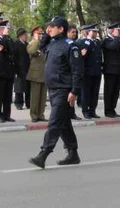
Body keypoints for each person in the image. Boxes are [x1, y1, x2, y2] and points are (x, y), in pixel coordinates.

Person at [28, 17, 84, 169]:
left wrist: (74, 91)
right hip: (52, 89)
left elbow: (77, 71)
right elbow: (41, 46)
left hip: (64, 90)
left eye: (53, 27)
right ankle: (73, 153)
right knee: (63, 123)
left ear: (61, 29)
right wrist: (46, 34)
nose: (50, 29)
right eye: (49, 27)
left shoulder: (70, 46)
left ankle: (43, 154)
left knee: (54, 122)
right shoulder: (52, 43)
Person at [0, 22, 17, 123]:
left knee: (8, 95)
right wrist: (4, 37)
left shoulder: (9, 39)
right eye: (6, 28)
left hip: (9, 71)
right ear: (0, 29)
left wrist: (6, 38)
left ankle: (7, 115)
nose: (7, 30)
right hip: (0, 71)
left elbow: (12, 50)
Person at [78, 24, 102, 119]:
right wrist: (88, 38)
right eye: (94, 31)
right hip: (87, 72)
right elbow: (83, 55)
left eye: (96, 31)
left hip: (96, 71)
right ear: (87, 32)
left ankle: (92, 110)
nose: (95, 33)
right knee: (86, 92)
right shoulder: (82, 42)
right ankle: (85, 111)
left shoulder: (96, 42)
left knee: (94, 93)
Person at [102, 22, 120, 118]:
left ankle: (113, 109)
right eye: (117, 30)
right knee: (109, 91)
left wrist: (119, 38)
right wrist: (116, 37)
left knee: (116, 91)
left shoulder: (117, 40)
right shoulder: (106, 40)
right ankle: (108, 110)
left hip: (118, 69)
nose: (118, 32)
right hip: (110, 70)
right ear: (112, 30)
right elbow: (112, 47)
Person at [27, 26, 48, 122]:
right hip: (35, 74)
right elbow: (32, 51)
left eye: (42, 34)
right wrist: (36, 40)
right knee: (35, 97)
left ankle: (41, 114)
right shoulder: (32, 44)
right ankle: (34, 115)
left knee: (43, 97)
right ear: (34, 34)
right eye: (38, 34)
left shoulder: (43, 44)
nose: (41, 35)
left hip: (44, 73)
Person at [66, 25, 82, 120]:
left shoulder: (75, 44)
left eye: (75, 32)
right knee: (68, 94)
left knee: (73, 93)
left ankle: (72, 113)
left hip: (75, 73)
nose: (74, 34)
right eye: (72, 32)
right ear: (67, 33)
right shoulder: (67, 44)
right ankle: (67, 114)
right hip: (68, 73)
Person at [14, 28, 31, 110]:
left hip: (27, 68)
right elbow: (15, 57)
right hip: (19, 68)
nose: (26, 36)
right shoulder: (16, 44)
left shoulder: (27, 44)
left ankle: (29, 103)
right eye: (24, 35)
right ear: (20, 36)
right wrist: (16, 69)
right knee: (19, 87)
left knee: (28, 86)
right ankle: (19, 103)